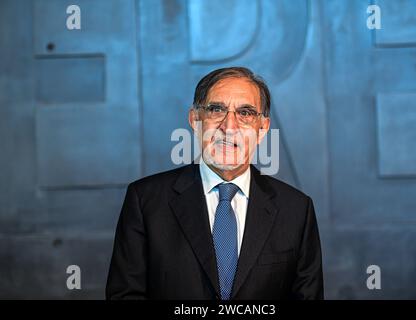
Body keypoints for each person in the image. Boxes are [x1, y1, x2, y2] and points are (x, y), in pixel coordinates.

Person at [106, 67, 323, 300]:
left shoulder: (297, 210)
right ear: (195, 119)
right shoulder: (145, 201)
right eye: (216, 109)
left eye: (246, 113)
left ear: (263, 129)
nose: (229, 127)